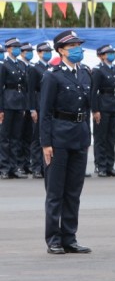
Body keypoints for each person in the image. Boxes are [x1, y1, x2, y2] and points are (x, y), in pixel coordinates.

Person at [39, 30, 92, 254]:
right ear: (61, 50)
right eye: (73, 46)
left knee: (73, 191)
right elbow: (45, 112)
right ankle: (53, 239)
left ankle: (69, 237)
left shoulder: (86, 73)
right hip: (58, 138)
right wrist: (46, 143)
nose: (78, 49)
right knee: (55, 192)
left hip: (79, 137)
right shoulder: (53, 75)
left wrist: (87, 136)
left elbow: (87, 108)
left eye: (79, 45)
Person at [90, 44, 115, 177]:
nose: (111, 55)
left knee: (111, 138)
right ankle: (101, 165)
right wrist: (95, 110)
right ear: (101, 56)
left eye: (112, 52)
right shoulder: (98, 70)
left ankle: (110, 165)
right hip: (102, 105)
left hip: (114, 106)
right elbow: (93, 92)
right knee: (100, 138)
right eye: (108, 53)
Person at [0, 37, 31, 178]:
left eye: (19, 47)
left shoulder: (20, 65)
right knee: (5, 137)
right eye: (15, 47)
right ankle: (5, 168)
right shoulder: (3, 65)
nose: (18, 49)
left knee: (16, 137)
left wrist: (24, 106)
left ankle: (13, 167)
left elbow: (24, 87)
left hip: (19, 103)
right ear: (8, 49)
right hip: (7, 102)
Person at [29, 42, 53, 179]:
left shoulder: (51, 68)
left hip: (48, 105)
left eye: (49, 51)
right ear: (39, 53)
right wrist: (32, 109)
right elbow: (31, 91)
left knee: (46, 137)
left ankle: (45, 167)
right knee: (37, 139)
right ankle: (36, 167)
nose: (47, 53)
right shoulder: (35, 68)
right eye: (45, 51)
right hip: (38, 105)